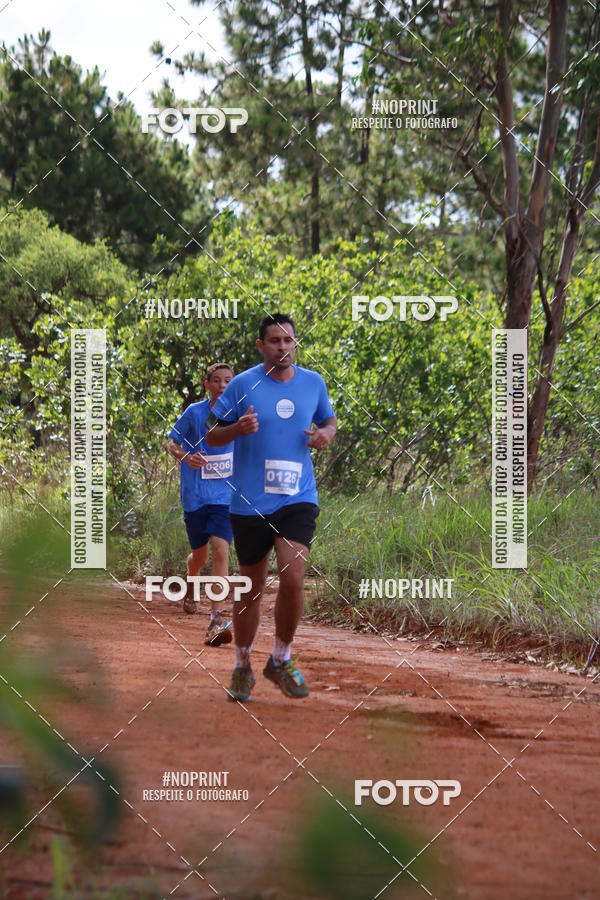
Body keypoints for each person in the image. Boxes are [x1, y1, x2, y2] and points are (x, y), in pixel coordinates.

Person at [205, 313, 337, 701]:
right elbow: (212, 434)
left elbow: (329, 422)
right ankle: (242, 665)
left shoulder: (313, 383)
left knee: (294, 578)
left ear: (296, 343)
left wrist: (324, 435)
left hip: (298, 499)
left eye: (289, 340)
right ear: (261, 346)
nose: (283, 347)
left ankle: (281, 658)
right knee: (252, 588)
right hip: (249, 503)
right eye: (275, 341)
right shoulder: (244, 384)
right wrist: (236, 430)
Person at [167, 363, 235, 646]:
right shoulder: (195, 412)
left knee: (221, 550)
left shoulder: (239, 415)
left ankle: (216, 618)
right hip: (195, 496)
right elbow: (171, 442)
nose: (222, 385)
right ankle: (191, 578)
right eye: (216, 380)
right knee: (200, 556)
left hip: (224, 498)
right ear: (207, 384)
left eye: (228, 381)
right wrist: (185, 456)